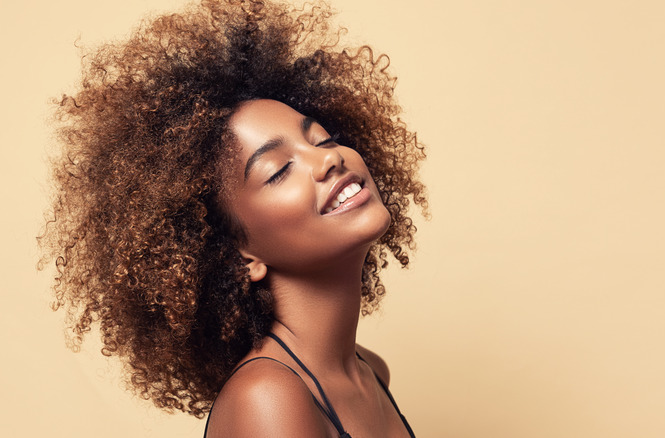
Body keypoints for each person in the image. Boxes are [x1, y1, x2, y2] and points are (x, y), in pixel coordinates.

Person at [38, 0, 427, 436]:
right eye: (278, 170)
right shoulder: (268, 398)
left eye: (322, 138)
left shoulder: (370, 371)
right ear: (240, 255)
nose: (328, 159)